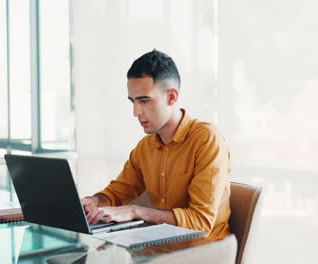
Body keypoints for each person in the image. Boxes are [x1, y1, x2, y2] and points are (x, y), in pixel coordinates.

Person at [81, 50, 231, 240]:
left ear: (171, 97)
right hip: (156, 249)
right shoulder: (145, 147)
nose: (136, 112)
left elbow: (201, 223)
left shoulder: (207, 140)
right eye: (133, 101)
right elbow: (117, 193)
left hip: (205, 251)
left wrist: (136, 211)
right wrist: (94, 201)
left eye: (144, 101)